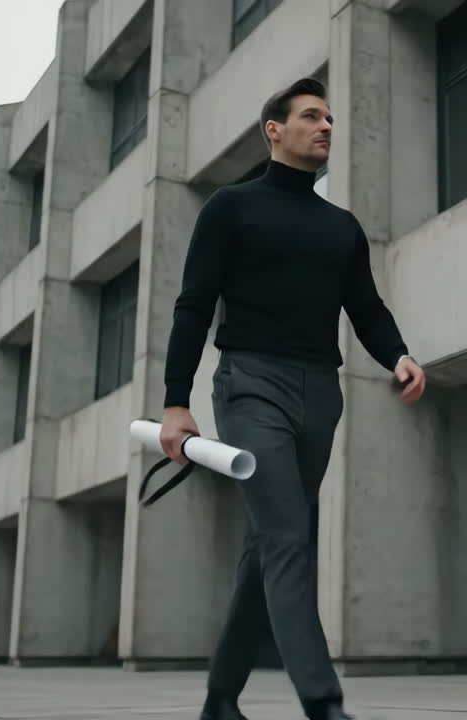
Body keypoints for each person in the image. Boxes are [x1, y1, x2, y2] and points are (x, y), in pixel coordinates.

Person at [159, 77, 426, 720]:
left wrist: (399, 355)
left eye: (331, 118)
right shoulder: (230, 207)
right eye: (311, 116)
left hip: (319, 396)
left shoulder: (341, 227)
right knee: (288, 534)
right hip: (250, 385)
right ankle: (323, 702)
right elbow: (194, 305)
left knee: (270, 541)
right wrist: (175, 401)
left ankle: (221, 697)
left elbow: (365, 306)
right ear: (274, 130)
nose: (326, 126)